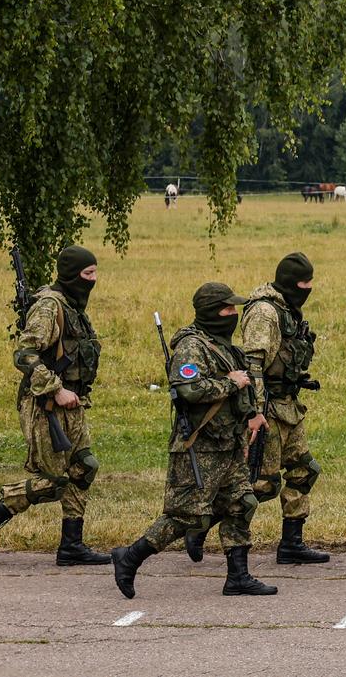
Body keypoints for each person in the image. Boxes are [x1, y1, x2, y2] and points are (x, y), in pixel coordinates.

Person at [110, 282, 275, 598]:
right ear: (213, 312)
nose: (233, 314)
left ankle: (238, 577)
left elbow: (243, 387)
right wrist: (228, 383)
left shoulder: (223, 346)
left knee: (243, 503)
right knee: (186, 515)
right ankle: (129, 558)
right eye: (228, 309)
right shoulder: (191, 347)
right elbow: (187, 390)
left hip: (227, 444)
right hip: (199, 447)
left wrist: (252, 414)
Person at [0, 245, 108, 567]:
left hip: (73, 404)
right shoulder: (49, 307)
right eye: (88, 274)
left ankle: (72, 545)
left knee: (85, 466)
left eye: (95, 272)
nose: (94, 280)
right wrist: (55, 389)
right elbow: (25, 354)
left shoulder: (73, 306)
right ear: (72, 275)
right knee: (54, 481)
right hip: (45, 404)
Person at [240, 251, 328, 565]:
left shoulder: (288, 309)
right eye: (305, 283)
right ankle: (203, 528)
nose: (309, 289)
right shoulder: (265, 312)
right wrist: (255, 412)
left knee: (304, 470)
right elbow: (253, 365)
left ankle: (292, 543)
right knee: (261, 484)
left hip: (289, 407)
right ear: (292, 283)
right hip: (268, 409)